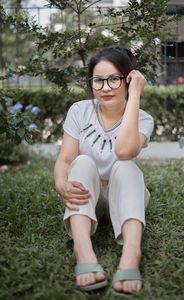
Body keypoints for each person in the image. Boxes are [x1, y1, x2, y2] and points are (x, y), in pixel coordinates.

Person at [54, 47, 154, 295]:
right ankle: (82, 249)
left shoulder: (144, 119)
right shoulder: (80, 110)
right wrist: (60, 183)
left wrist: (135, 96)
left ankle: (132, 253)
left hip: (125, 195)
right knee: (83, 161)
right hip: (89, 194)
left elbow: (124, 152)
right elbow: (66, 158)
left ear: (128, 80)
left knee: (126, 165)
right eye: (98, 80)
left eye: (114, 79)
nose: (106, 87)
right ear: (91, 82)